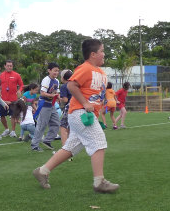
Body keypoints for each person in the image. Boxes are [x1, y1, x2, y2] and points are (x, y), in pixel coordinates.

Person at [32, 39, 119, 193]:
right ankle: (99, 182)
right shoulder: (85, 68)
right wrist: (85, 103)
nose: (104, 54)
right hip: (80, 112)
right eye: (102, 51)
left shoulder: (100, 72)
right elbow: (71, 85)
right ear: (93, 54)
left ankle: (42, 171)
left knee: (71, 147)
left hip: (85, 114)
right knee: (99, 141)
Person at [31, 62, 60, 152]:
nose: (56, 73)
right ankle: (34, 145)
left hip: (51, 105)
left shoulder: (57, 81)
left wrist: (59, 97)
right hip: (44, 104)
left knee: (56, 123)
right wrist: (52, 96)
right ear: (49, 71)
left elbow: (57, 93)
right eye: (54, 71)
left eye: (58, 71)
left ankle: (47, 141)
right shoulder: (46, 80)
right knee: (41, 125)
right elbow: (42, 93)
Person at [0, 60, 24, 138]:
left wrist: (19, 90)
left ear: (12, 66)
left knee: (13, 115)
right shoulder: (1, 75)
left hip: (13, 100)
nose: (9, 67)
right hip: (3, 100)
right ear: (5, 66)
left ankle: (13, 131)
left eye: (11, 66)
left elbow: (22, 85)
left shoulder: (16, 75)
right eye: (8, 65)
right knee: (2, 115)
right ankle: (6, 129)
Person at [59, 70, 73, 146]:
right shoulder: (74, 84)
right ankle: (70, 145)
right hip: (77, 107)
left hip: (69, 106)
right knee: (70, 126)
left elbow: (65, 99)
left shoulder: (64, 86)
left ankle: (65, 147)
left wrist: (59, 98)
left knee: (63, 126)